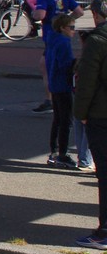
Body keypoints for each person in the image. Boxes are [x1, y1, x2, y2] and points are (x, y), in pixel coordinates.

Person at [75, 0, 107, 249]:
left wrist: (81, 113)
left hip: (101, 115)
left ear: (96, 15)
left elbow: (86, 82)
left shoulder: (97, 41)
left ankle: (104, 232)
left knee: (105, 174)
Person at [46, 13, 78, 170]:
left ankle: (54, 151)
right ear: (63, 28)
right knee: (66, 121)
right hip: (63, 84)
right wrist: (76, 64)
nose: (74, 31)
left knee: (58, 119)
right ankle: (62, 154)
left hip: (54, 83)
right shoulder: (64, 42)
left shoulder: (52, 40)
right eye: (71, 27)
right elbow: (65, 64)